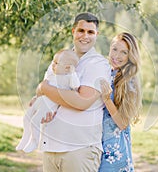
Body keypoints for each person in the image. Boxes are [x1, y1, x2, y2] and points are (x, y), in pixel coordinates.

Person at [36, 12, 111, 171]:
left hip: (79, 149)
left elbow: (81, 101)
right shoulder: (60, 57)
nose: (85, 36)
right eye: (81, 30)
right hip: (51, 146)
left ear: (96, 34)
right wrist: (43, 92)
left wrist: (45, 88)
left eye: (90, 32)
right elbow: (40, 91)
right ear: (73, 32)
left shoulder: (98, 64)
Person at [16, 49, 80, 153]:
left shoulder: (69, 77)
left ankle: (34, 141)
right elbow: (43, 86)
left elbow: (76, 86)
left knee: (35, 121)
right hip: (41, 99)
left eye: (56, 63)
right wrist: (36, 96)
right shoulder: (52, 74)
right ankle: (25, 138)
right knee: (26, 118)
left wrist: (72, 73)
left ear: (67, 67)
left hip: (49, 104)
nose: (53, 65)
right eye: (53, 62)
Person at [98, 32, 142, 172]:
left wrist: (106, 100)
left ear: (130, 56)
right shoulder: (105, 72)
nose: (117, 56)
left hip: (114, 151)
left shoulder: (129, 81)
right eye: (115, 49)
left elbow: (123, 123)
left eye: (124, 52)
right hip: (97, 144)